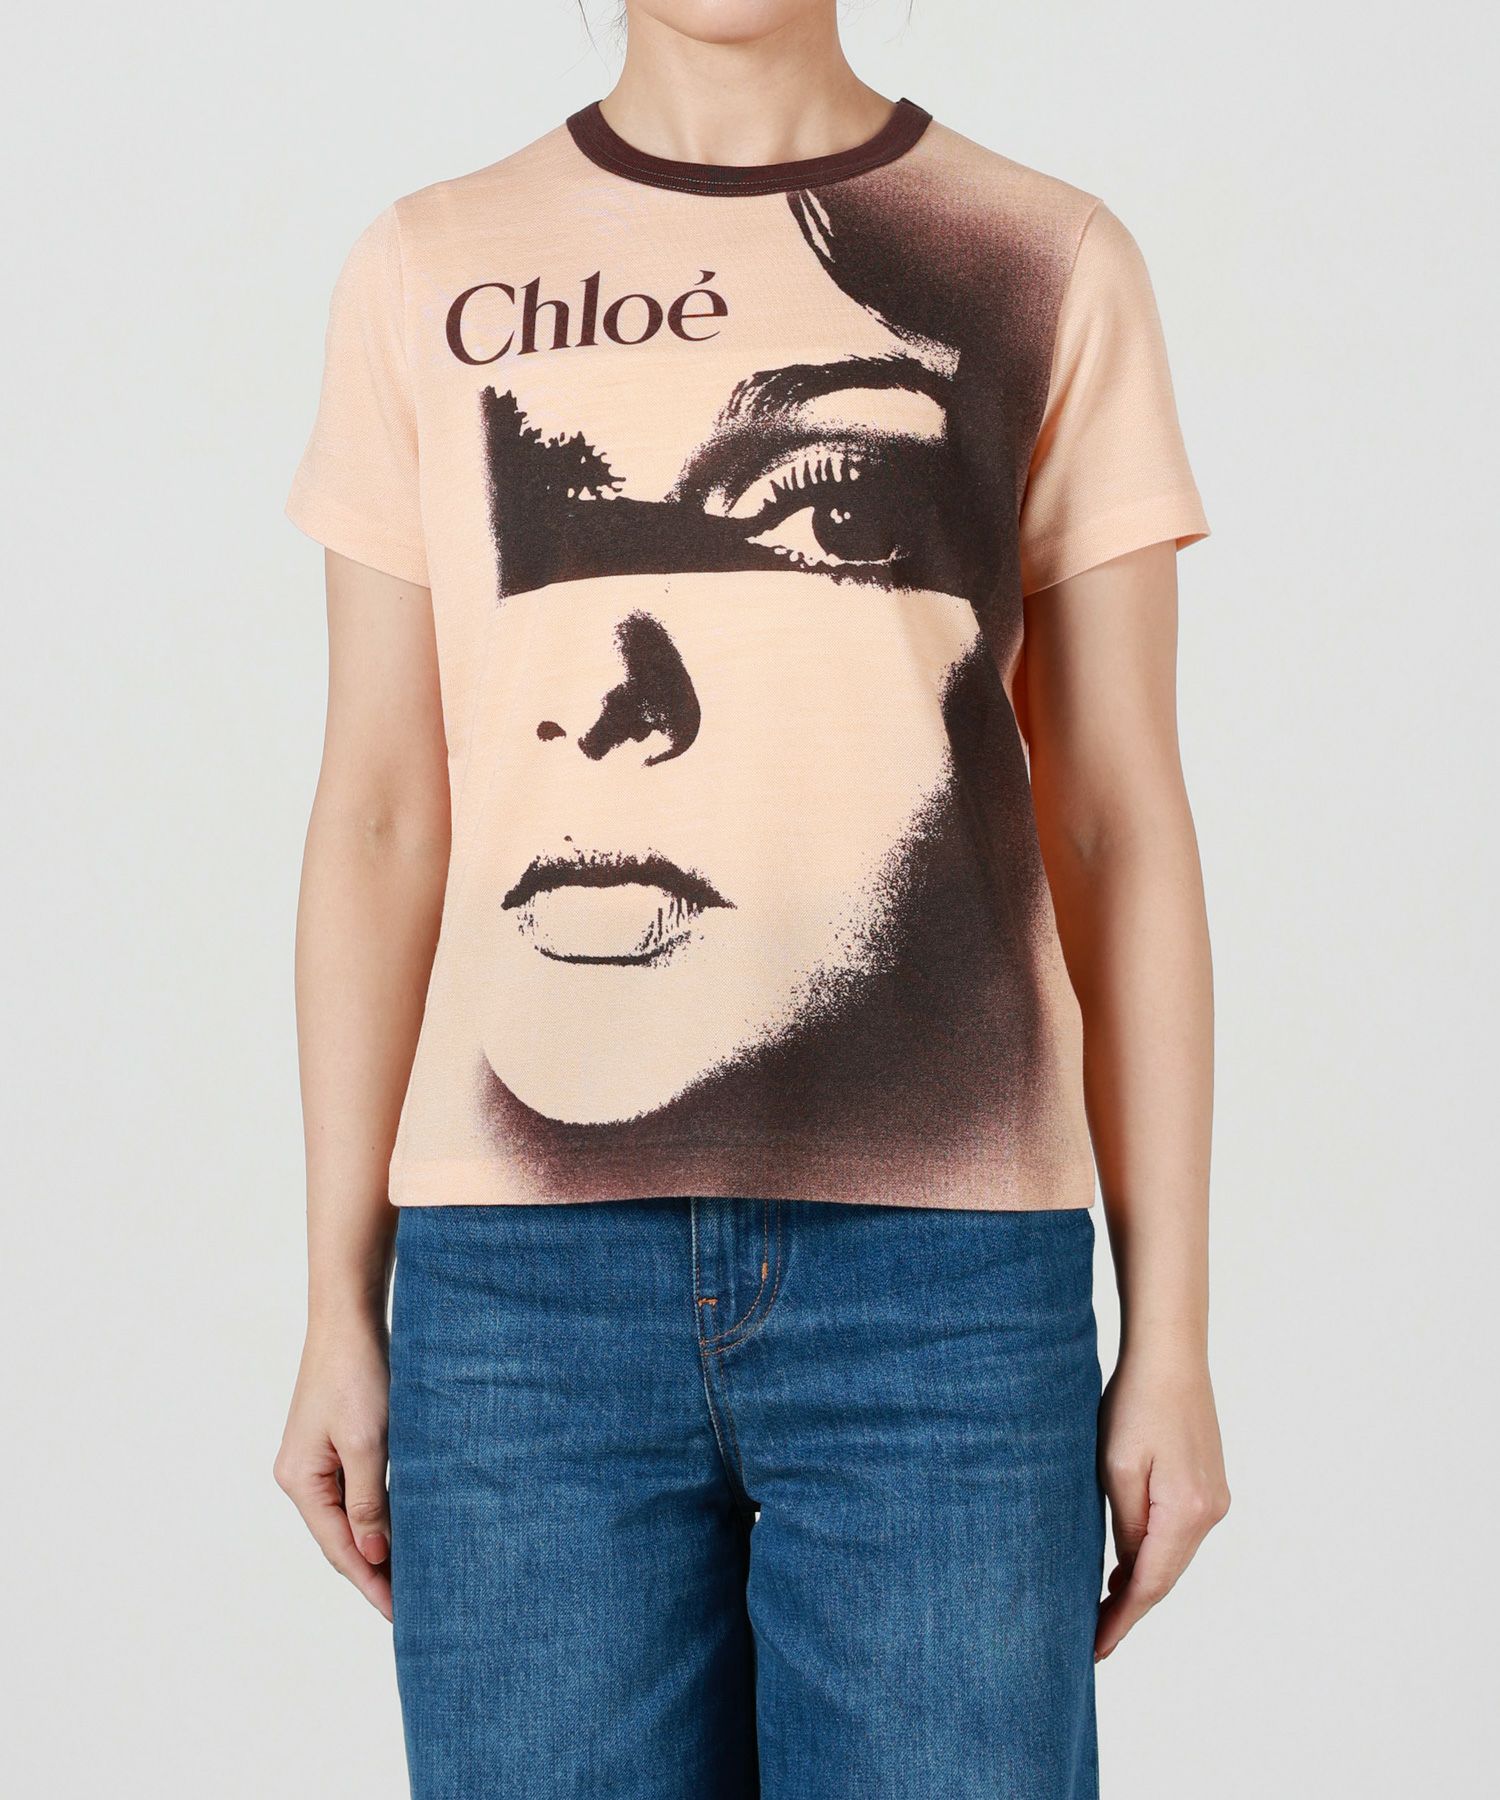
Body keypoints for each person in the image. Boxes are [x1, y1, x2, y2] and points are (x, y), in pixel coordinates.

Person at [274, 2, 1230, 1793]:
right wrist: (340, 1299)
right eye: (560, 532)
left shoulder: (1045, 258)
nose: (619, 687)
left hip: (945, 1286)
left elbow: (1116, 820)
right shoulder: (429, 264)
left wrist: (1169, 1328)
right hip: (520, 1297)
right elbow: (386, 813)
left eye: (830, 511)